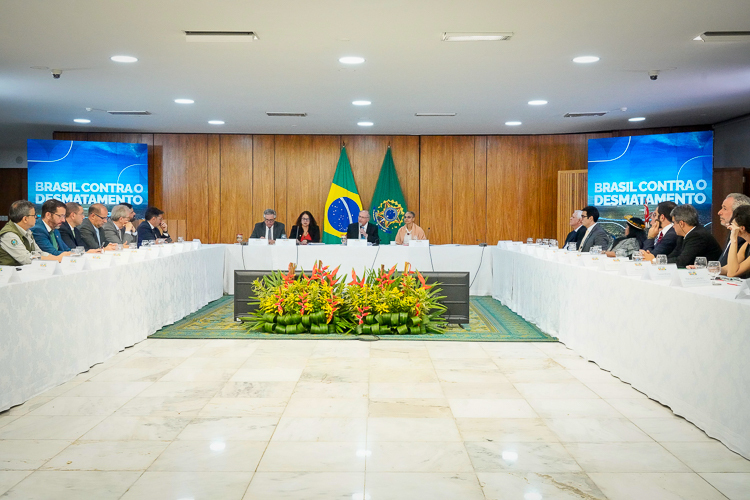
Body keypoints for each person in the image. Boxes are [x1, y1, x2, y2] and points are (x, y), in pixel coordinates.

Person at [643, 204, 721, 268]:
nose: (673, 226)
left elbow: (682, 261)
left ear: (681, 223)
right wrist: (656, 259)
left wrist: (654, 260)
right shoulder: (683, 235)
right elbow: (674, 255)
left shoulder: (698, 236)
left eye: (674, 223)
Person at [0, 200, 66, 265]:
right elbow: (26, 259)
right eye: (34, 215)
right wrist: (56, 259)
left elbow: (39, 252)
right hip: (9, 271)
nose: (36, 217)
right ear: (25, 219)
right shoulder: (9, 235)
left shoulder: (27, 231)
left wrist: (55, 258)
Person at [717, 193, 750, 266]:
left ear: (738, 212)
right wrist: (705, 269)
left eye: (724, 208)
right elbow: (726, 268)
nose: (719, 212)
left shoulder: (743, 237)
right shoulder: (733, 232)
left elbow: (732, 270)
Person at [724, 205, 750, 278]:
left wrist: (734, 240)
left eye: (733, 225)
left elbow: (732, 273)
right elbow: (730, 267)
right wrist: (707, 269)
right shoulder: (746, 244)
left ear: (742, 228)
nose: (730, 228)